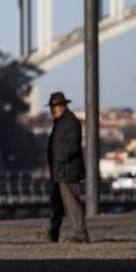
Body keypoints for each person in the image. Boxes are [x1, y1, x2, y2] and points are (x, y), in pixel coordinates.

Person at [45, 91, 89, 243]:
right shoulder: (60, 122)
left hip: (68, 171)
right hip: (59, 171)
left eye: (56, 106)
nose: (53, 110)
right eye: (51, 107)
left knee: (72, 203)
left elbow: (73, 146)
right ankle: (52, 233)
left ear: (64, 106)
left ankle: (80, 233)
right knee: (56, 205)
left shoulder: (70, 122)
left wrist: (59, 159)